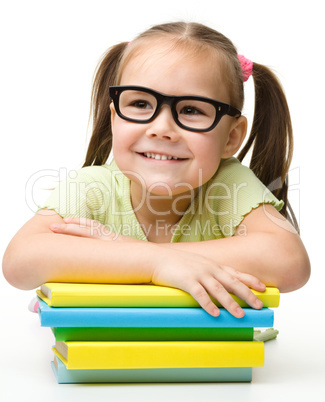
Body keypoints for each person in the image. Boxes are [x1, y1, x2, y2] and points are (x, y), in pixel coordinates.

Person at [2, 21, 310, 318]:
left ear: (231, 137)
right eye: (140, 104)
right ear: (114, 118)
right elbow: (19, 261)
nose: (161, 129)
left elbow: (289, 261)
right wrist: (155, 262)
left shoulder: (229, 185)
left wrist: (124, 250)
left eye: (191, 110)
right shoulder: (91, 188)